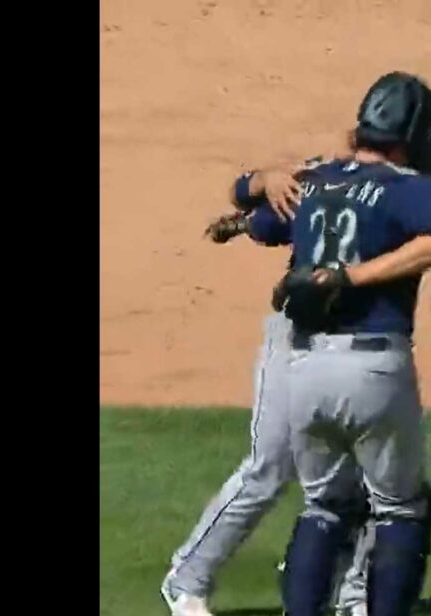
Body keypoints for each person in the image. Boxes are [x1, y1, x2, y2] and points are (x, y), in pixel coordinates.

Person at [160, 160, 377, 616]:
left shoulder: (411, 187)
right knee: (270, 466)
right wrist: (265, 181)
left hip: (361, 345)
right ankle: (187, 578)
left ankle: (350, 594)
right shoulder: (330, 178)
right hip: (297, 337)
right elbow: (252, 200)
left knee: (359, 476)